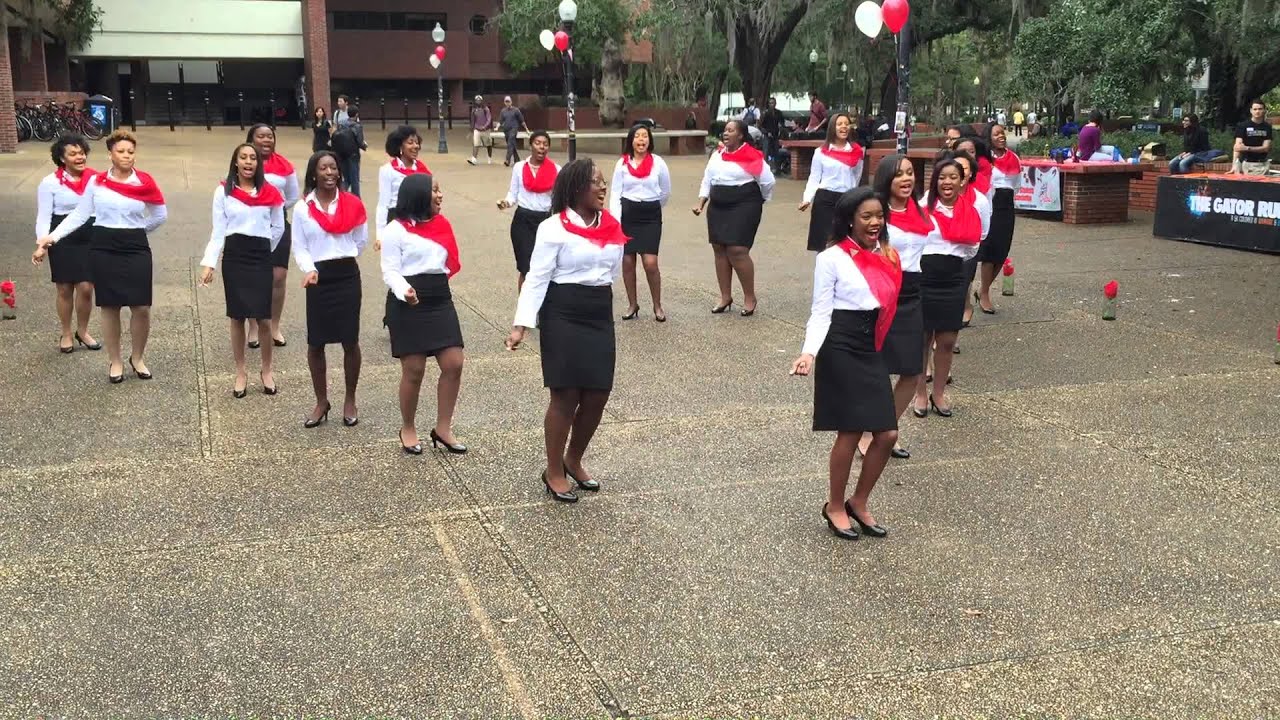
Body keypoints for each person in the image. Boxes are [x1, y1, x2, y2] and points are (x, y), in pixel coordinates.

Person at [506, 158, 627, 504]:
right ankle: (553, 469)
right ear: (576, 188)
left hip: (598, 312)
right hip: (563, 312)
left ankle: (573, 458)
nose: (603, 187)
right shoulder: (553, 228)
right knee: (566, 395)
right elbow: (536, 278)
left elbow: (613, 272)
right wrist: (521, 325)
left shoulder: (612, 226)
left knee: (597, 395)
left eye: (604, 182)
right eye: (596, 182)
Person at [790, 186, 902, 540]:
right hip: (839, 344)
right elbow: (821, 312)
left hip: (870, 346)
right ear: (849, 220)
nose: (874, 222)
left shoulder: (887, 254)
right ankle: (835, 505)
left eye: (879, 216)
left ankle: (859, 500)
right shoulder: (832, 258)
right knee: (850, 431)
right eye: (866, 216)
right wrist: (809, 352)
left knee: (887, 434)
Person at [35, 129, 167, 384]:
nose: (127, 156)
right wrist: (52, 237)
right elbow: (80, 215)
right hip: (104, 247)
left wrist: (137, 231)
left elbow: (160, 215)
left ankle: (137, 358)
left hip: (135, 246)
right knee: (110, 306)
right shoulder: (97, 183)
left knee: (141, 306)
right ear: (110, 155)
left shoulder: (145, 181)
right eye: (121, 151)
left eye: (131, 151)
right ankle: (115, 360)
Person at [381, 173, 467, 456]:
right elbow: (390, 270)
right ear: (418, 194)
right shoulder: (395, 230)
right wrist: (405, 290)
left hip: (439, 298)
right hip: (408, 301)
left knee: (453, 362)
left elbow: (444, 265)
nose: (440, 195)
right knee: (414, 369)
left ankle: (443, 427)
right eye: (435, 191)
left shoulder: (442, 224)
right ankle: (408, 426)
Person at [197, 143, 286, 398]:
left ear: (259, 163)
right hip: (235, 256)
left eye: (253, 158)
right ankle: (241, 371)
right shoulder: (223, 191)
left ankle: (267, 370)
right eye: (243, 157)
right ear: (235, 162)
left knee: (264, 319)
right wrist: (209, 262)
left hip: (259, 255)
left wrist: (263, 249)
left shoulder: (271, 192)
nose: (248, 162)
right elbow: (218, 230)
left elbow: (278, 228)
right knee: (236, 316)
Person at [292, 151, 368, 428]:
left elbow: (360, 241)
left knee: (350, 340)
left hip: (347, 275)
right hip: (318, 278)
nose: (329, 172)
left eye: (333, 168)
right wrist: (310, 269)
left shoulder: (352, 204)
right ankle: (321, 400)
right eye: (323, 168)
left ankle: (350, 398)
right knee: (316, 342)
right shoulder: (303, 208)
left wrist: (342, 255)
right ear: (314, 173)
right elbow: (299, 246)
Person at [915, 154, 988, 418]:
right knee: (923, 338)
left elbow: (976, 242)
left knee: (947, 340)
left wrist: (952, 259)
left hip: (954, 278)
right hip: (925, 277)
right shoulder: (923, 205)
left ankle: (939, 393)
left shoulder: (972, 207)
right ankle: (920, 393)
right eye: (942, 177)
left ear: (962, 181)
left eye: (953, 177)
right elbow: (913, 240)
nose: (947, 182)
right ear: (935, 181)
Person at [870, 154, 928, 460]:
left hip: (912, 292)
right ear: (886, 179)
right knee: (876, 369)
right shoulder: (877, 213)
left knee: (911, 370)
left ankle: (885, 429)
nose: (906, 179)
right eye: (899, 175)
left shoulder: (920, 210)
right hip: (880, 294)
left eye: (909, 173)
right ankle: (869, 433)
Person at [693, 119, 776, 316]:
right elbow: (708, 179)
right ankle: (725, 296)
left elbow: (768, 182)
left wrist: (760, 200)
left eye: (731, 130)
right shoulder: (717, 155)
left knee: (737, 250)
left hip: (744, 204)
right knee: (720, 248)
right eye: (725, 130)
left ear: (741, 135)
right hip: (718, 206)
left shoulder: (751, 156)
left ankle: (749, 297)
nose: (726, 133)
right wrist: (701, 202)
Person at [31, 133, 100, 354]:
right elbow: (44, 216)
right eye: (73, 153)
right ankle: (67, 333)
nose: (80, 157)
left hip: (89, 234)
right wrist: (42, 244)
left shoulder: (96, 179)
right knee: (64, 288)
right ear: (62, 159)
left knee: (87, 287)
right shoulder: (49, 183)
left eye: (82, 152)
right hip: (61, 236)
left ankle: (83, 330)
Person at [610, 123, 673, 322]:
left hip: (650, 216)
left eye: (645, 136)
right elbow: (615, 192)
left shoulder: (658, 163)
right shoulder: (622, 164)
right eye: (637, 136)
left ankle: (657, 305)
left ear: (649, 140)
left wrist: (651, 205)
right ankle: (632, 304)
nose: (641, 140)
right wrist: (616, 220)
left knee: (650, 262)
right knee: (628, 262)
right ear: (631, 140)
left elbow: (665, 191)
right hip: (628, 214)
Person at [246, 123, 300, 350]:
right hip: (250, 227)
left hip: (278, 225)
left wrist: (272, 209)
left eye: (270, 136)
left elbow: (292, 196)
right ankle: (254, 326)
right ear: (251, 139)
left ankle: (274, 324)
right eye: (261, 136)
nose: (266, 140)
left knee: (278, 276)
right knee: (253, 278)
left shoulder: (284, 165)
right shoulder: (245, 162)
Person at [498, 130, 558, 291]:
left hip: (545, 222)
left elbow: (559, 197)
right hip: (523, 222)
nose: (542, 147)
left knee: (545, 267)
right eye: (538, 143)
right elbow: (513, 193)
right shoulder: (519, 167)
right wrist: (506, 202)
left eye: (545, 144)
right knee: (526, 268)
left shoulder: (556, 169)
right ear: (531, 145)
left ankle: (544, 309)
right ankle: (525, 311)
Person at [800, 112, 864, 252]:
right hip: (825, 199)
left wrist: (854, 197)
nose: (843, 127)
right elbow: (814, 178)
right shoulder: (820, 152)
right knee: (824, 243)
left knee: (846, 242)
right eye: (839, 124)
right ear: (832, 128)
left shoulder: (856, 151)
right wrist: (807, 198)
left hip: (847, 199)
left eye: (846, 124)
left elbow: (857, 176)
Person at [976, 123, 1021, 314]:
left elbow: (1017, 184)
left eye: (1003, 132)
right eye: (996, 134)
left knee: (1002, 253)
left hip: (1007, 205)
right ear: (989, 137)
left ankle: (982, 289)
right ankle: (984, 293)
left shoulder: (1014, 158)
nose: (1001, 136)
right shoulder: (984, 159)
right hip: (990, 205)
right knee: (990, 252)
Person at [375, 125, 430, 251]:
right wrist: (380, 235)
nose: (416, 146)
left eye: (417, 142)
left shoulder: (423, 169)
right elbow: (383, 204)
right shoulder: (387, 170)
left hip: (420, 218)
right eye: (410, 142)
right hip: (397, 219)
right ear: (400, 146)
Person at [331, 107, 367, 197]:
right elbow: (359, 141)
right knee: (355, 179)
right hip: (353, 155)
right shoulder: (357, 126)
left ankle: (340, 195)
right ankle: (356, 199)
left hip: (341, 154)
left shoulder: (342, 124)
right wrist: (364, 146)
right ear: (356, 115)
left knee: (346, 178)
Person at [1231, 99, 1273, 175]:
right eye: (1255, 109)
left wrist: (1247, 148)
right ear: (1251, 110)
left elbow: (1266, 148)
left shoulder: (1267, 127)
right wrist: (1234, 165)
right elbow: (1237, 147)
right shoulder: (1242, 126)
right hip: (1247, 164)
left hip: (1263, 164)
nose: (1257, 111)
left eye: (1260, 109)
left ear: (1264, 110)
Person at [498, 96, 531, 167]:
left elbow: (522, 120)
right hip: (506, 130)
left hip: (514, 129)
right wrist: (497, 127)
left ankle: (507, 160)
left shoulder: (516, 110)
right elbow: (500, 121)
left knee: (510, 142)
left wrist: (527, 129)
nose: (507, 103)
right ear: (504, 102)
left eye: (508, 101)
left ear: (511, 102)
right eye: (506, 102)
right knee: (511, 145)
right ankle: (517, 160)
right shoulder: (503, 111)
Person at [468, 96, 494, 165]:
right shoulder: (474, 110)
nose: (478, 101)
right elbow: (473, 120)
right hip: (477, 129)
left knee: (488, 144)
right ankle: (474, 159)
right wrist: (471, 129)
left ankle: (489, 157)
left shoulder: (486, 109)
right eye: (477, 100)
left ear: (482, 101)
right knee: (476, 144)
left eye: (479, 100)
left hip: (486, 130)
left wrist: (485, 126)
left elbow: (489, 118)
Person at [760, 97, 783, 168]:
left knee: (776, 152)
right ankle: (765, 168)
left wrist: (780, 127)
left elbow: (782, 122)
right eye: (770, 103)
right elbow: (761, 126)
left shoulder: (778, 113)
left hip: (775, 135)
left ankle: (777, 169)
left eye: (773, 103)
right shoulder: (765, 113)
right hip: (767, 135)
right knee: (766, 152)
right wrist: (767, 132)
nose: (772, 105)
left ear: (775, 104)